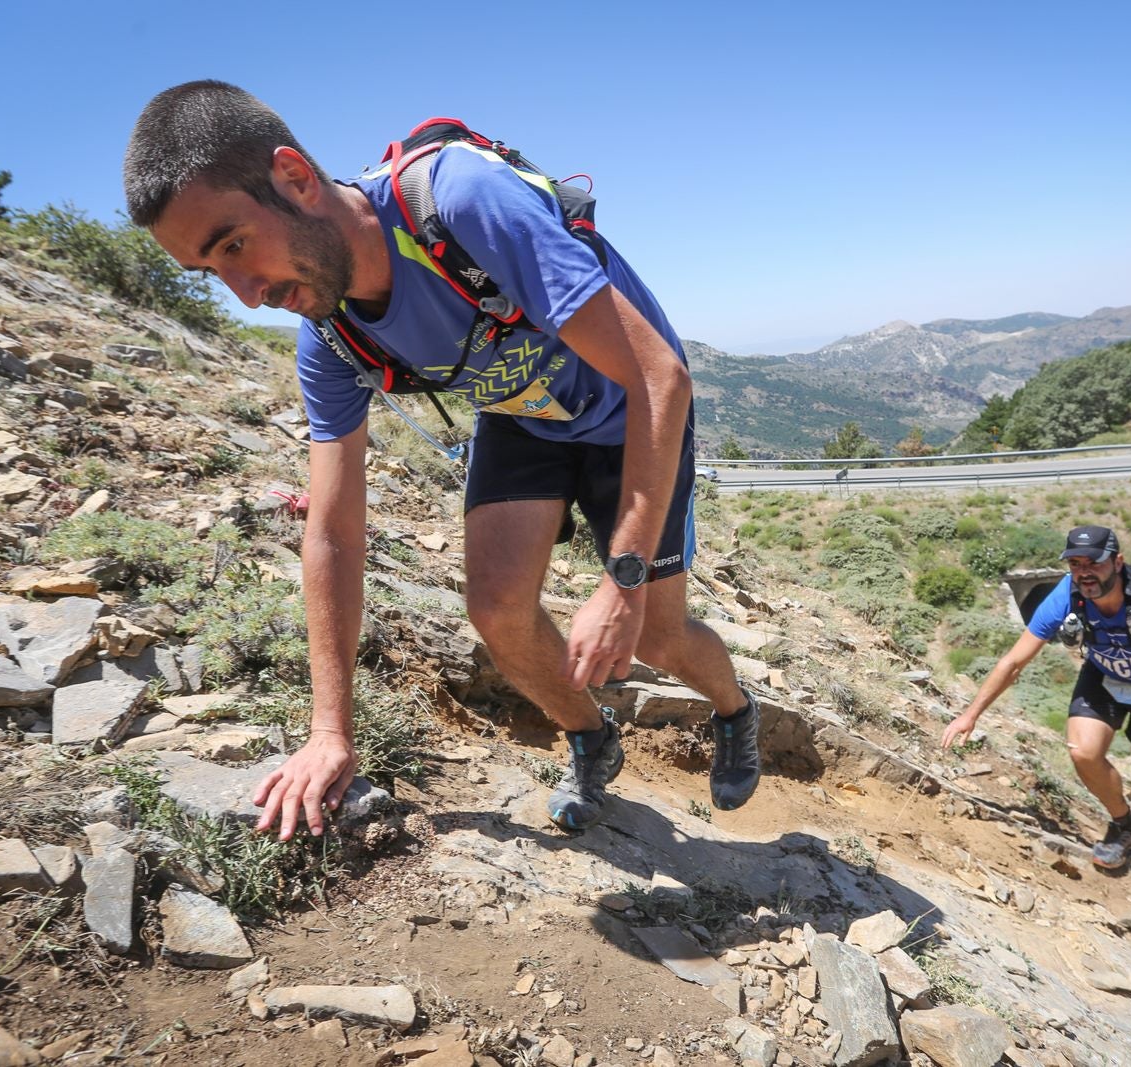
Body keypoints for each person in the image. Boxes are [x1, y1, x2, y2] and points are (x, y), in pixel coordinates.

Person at [122, 82, 762, 837]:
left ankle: (735, 711)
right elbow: (332, 531)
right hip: (524, 417)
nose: (247, 294)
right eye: (211, 272)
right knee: (497, 611)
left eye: (233, 245)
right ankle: (592, 736)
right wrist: (330, 732)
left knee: (655, 633)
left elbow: (660, 377)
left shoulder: (459, 200)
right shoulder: (331, 338)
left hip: (633, 409)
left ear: (294, 177)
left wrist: (621, 580)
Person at [940, 525, 1131, 869]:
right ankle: (1124, 824)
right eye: (1075, 564)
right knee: (1083, 752)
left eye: (1094, 562)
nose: (1084, 572)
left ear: (1118, 562)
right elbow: (1014, 661)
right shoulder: (1067, 594)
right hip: (1103, 677)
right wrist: (971, 714)